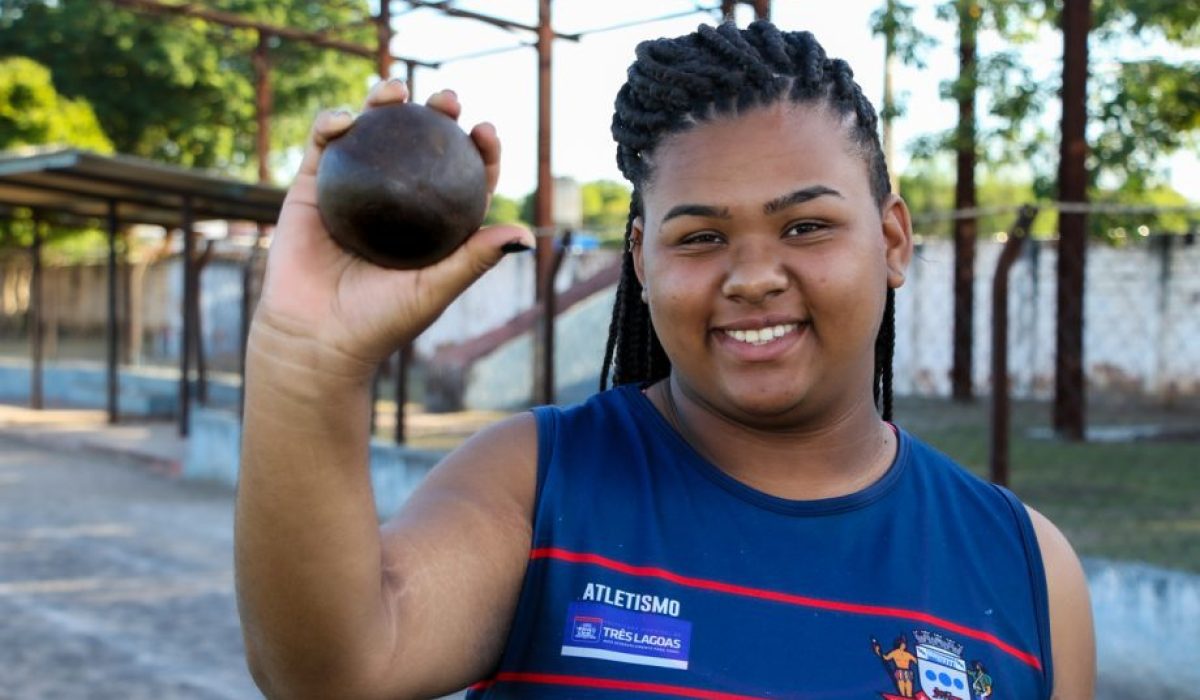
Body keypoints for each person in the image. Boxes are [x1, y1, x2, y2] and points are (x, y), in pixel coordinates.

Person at [234, 19, 1095, 700]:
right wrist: (308, 360)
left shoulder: (1026, 567)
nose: (754, 276)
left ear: (893, 239)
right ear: (642, 260)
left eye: (806, 225)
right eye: (702, 236)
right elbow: (334, 671)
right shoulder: (540, 486)